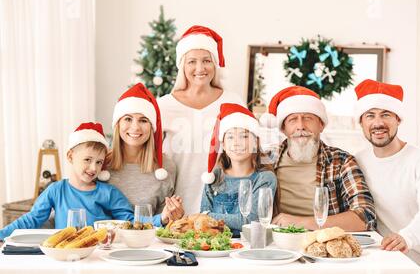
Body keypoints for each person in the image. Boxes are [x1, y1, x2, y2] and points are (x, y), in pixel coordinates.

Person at [354, 79, 420, 274]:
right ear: (361, 123)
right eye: (370, 115)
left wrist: (406, 237)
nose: (377, 123)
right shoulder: (358, 161)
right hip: (383, 266)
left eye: (386, 114)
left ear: (398, 119)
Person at [259, 86, 376, 231]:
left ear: (321, 124)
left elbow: (365, 217)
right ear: (283, 128)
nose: (300, 126)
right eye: (293, 120)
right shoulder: (265, 159)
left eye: (308, 118)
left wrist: (298, 222)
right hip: (275, 242)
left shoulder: (341, 161)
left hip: (323, 245)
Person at [158, 25, 245, 215]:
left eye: (206, 60)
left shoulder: (232, 101)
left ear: (215, 64)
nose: (200, 68)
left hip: (223, 207)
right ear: (182, 66)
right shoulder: (164, 106)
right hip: (175, 207)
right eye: (192, 61)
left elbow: (248, 152)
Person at [0, 122, 134, 240]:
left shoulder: (109, 192)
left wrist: (155, 219)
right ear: (70, 156)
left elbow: (130, 221)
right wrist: (2, 235)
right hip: (65, 252)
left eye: (99, 162)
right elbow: (33, 218)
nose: (94, 168)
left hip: (99, 253)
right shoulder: (56, 190)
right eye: (87, 159)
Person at [101, 83, 184, 227]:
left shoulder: (165, 168)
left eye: (143, 120)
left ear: (152, 127)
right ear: (118, 124)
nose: (135, 127)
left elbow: (165, 224)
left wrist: (172, 215)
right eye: (128, 119)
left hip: (147, 244)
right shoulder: (100, 164)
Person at [200, 103, 277, 236]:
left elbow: (251, 221)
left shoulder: (265, 178)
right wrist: (205, 217)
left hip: (250, 246)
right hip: (218, 247)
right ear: (223, 145)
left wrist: (209, 215)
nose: (237, 142)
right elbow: (202, 222)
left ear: (256, 142)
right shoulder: (215, 177)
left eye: (244, 136)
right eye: (230, 137)